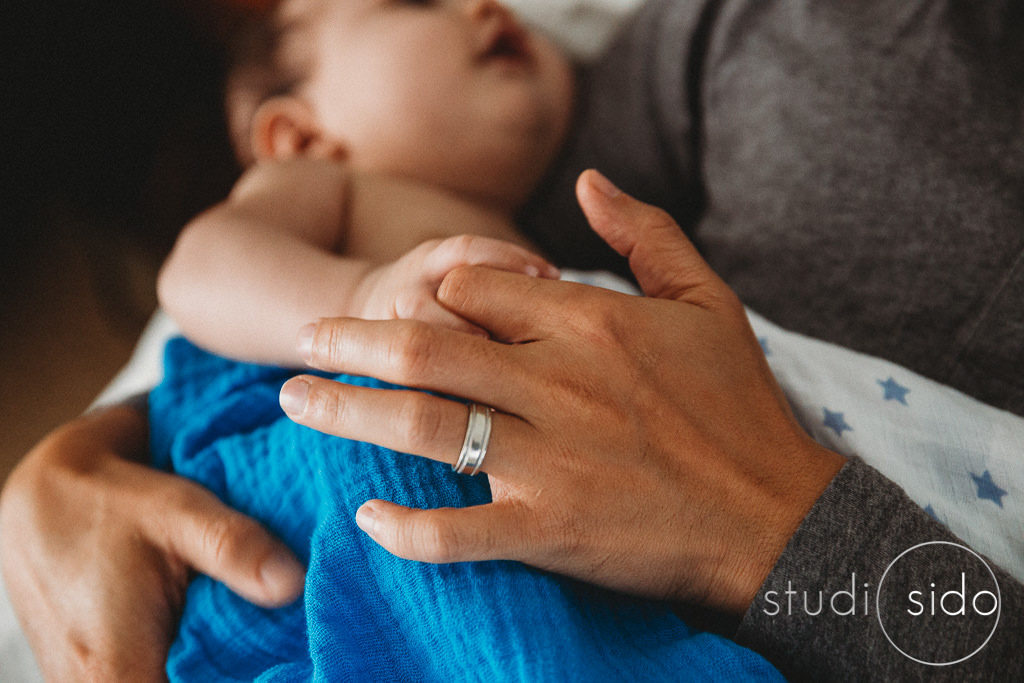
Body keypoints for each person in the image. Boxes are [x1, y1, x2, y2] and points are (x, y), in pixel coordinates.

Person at [2, 0, 1022, 679]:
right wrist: (364, 289)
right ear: (298, 134)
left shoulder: (561, 211)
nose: (483, 4)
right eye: (412, 2)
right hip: (351, 462)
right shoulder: (325, 192)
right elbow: (201, 273)